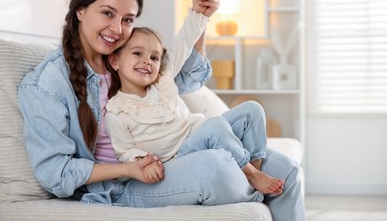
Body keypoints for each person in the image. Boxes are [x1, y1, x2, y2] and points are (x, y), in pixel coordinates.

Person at [18, 0, 306, 221]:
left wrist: (201, 20)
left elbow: (186, 78)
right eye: (107, 13)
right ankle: (248, 185)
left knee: (287, 170)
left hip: (177, 152)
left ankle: (250, 179)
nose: (117, 28)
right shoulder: (47, 84)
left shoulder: (124, 55)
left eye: (128, 19)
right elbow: (55, 172)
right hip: (127, 182)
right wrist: (130, 168)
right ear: (81, 10)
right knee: (216, 167)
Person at [105, 25, 284, 195]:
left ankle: (255, 169)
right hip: (179, 157)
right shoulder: (117, 111)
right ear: (115, 61)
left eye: (154, 58)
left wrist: (199, 14)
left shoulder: (163, 82)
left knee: (252, 109)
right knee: (213, 126)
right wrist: (144, 162)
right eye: (137, 53)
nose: (147, 61)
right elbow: (125, 151)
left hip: (201, 135)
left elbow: (183, 42)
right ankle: (251, 174)